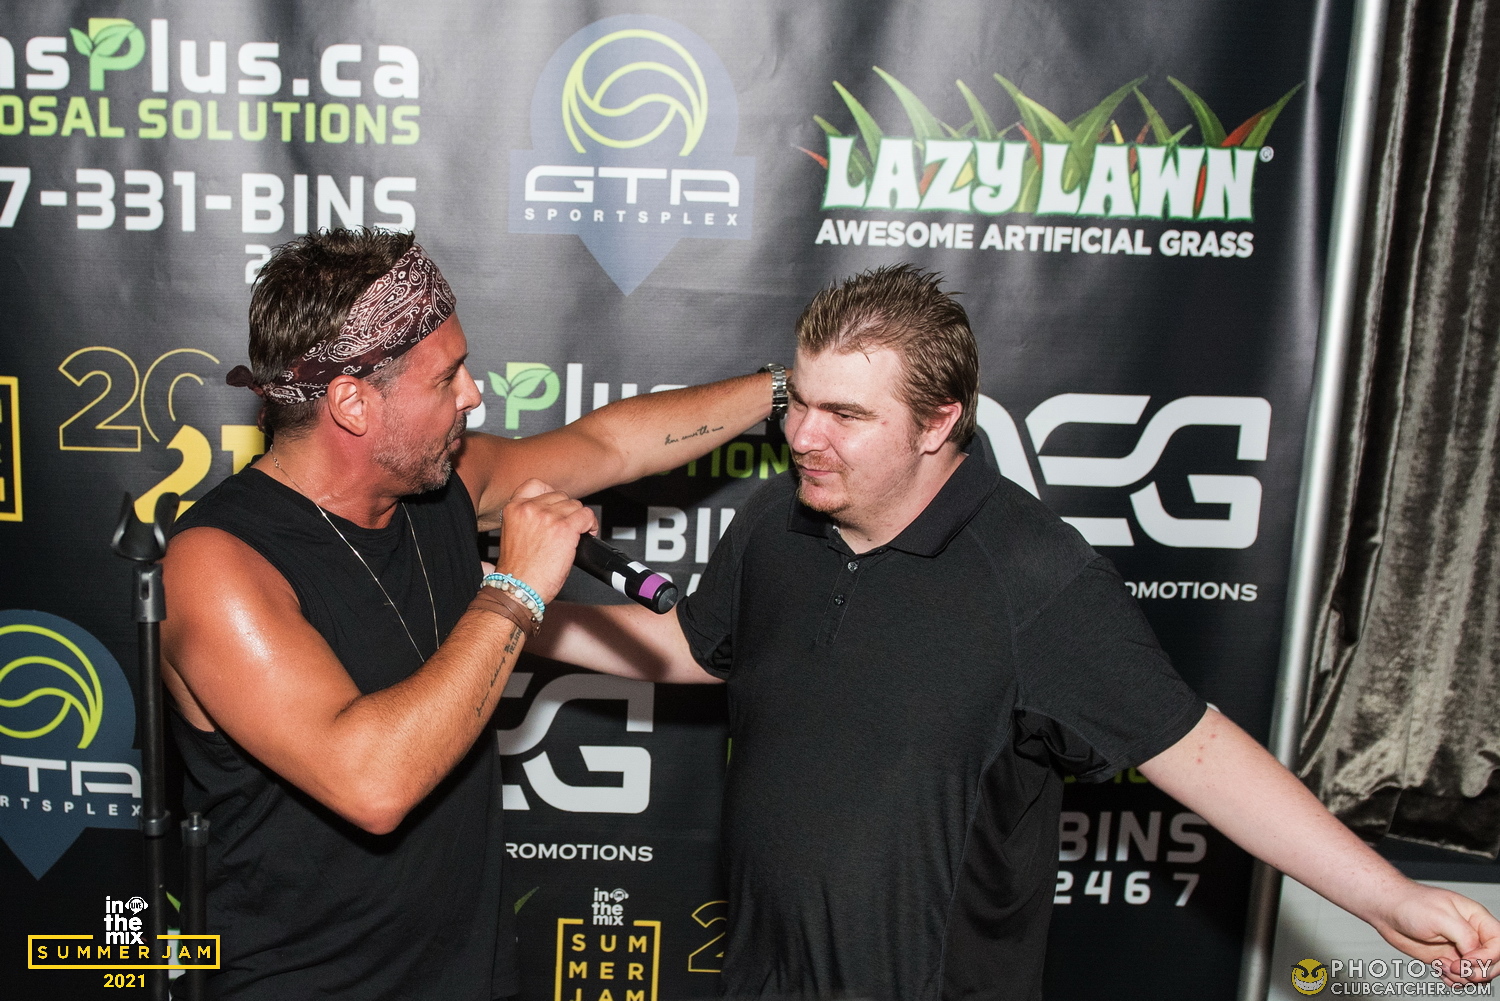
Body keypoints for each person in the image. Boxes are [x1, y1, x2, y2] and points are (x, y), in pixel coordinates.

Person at [532, 264, 1500, 1001]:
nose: (802, 437)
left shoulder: (1035, 577)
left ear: (936, 422)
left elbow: (1199, 751)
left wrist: (1388, 896)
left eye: (846, 414)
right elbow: (700, 648)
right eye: (800, 402)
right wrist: (516, 611)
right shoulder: (779, 518)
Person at [159, 228, 781, 999]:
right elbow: (371, 783)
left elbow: (610, 447)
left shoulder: (440, 485)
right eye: (446, 376)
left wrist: (784, 390)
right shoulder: (217, 563)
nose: (473, 394)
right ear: (352, 403)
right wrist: (515, 589)